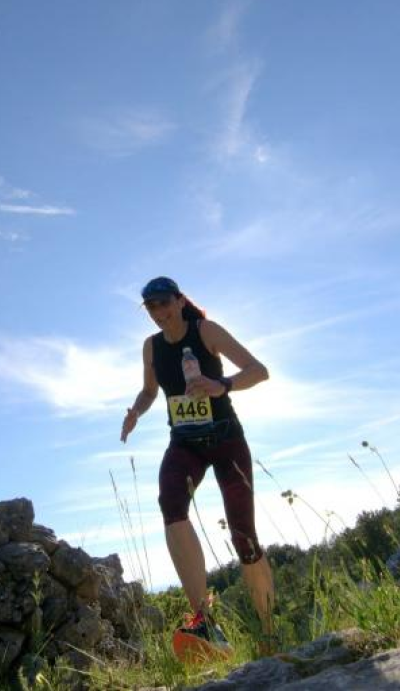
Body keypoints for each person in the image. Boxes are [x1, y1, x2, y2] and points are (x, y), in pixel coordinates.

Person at [120, 276, 276, 657]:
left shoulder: (206, 330)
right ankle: (206, 623)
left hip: (225, 439)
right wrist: (136, 411)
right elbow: (150, 390)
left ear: (178, 300)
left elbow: (259, 370)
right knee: (170, 505)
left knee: (244, 537)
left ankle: (269, 635)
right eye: (150, 307)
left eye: (162, 303)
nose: (158, 313)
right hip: (184, 442)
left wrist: (221, 384)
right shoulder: (151, 347)